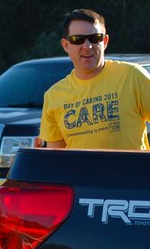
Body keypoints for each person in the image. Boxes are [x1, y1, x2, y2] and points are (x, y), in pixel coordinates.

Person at [39, 9, 150, 149]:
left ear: (105, 41)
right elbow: (56, 158)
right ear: (65, 45)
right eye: (77, 39)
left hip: (131, 171)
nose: (87, 46)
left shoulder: (132, 76)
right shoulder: (53, 96)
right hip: (78, 172)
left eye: (95, 38)